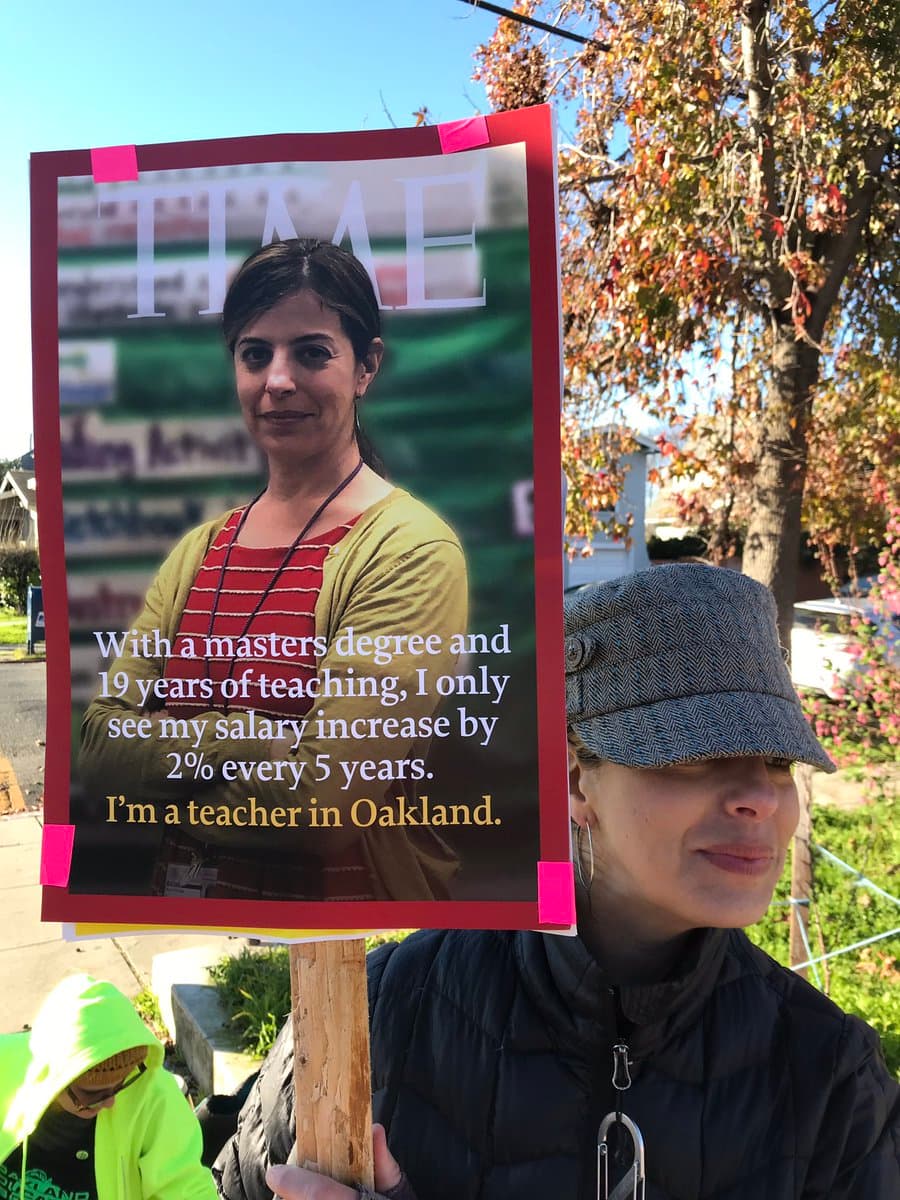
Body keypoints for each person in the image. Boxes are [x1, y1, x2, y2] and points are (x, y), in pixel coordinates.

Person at [213, 564, 900, 1199]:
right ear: (575, 779)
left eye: (779, 759)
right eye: (702, 754)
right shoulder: (380, 1017)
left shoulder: (829, 1076)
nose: (762, 799)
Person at [78, 238, 468, 902]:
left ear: (366, 366)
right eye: (255, 354)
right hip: (190, 927)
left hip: (356, 948)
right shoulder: (200, 550)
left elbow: (322, 809)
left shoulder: (409, 549)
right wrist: (245, 737)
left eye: (312, 352)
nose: (277, 380)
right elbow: (99, 750)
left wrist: (164, 785)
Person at [0, 973, 215, 1200]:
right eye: (92, 1093)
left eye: (121, 1083)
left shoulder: (156, 1096)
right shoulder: (6, 1064)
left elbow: (185, 1186)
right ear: (53, 1077)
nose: (110, 1101)